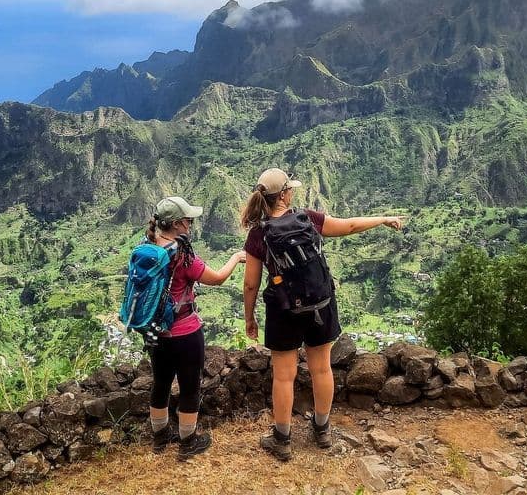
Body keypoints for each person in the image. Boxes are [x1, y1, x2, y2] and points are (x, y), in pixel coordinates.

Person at [240, 168, 403, 461]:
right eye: (290, 189)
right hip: (320, 304)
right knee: (322, 369)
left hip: (283, 309)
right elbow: (349, 226)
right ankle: (323, 430)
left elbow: (251, 283)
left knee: (284, 377)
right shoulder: (308, 219)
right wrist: (382, 219)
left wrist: (249, 317)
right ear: (285, 194)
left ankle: (282, 439)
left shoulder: (258, 233)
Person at [144, 196, 247, 459]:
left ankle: (160, 437)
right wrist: (236, 257)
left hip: (156, 332)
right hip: (185, 332)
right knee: (190, 387)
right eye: (188, 220)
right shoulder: (183, 255)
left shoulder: (147, 247)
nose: (190, 224)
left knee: (160, 383)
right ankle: (188, 442)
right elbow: (217, 278)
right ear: (176, 224)